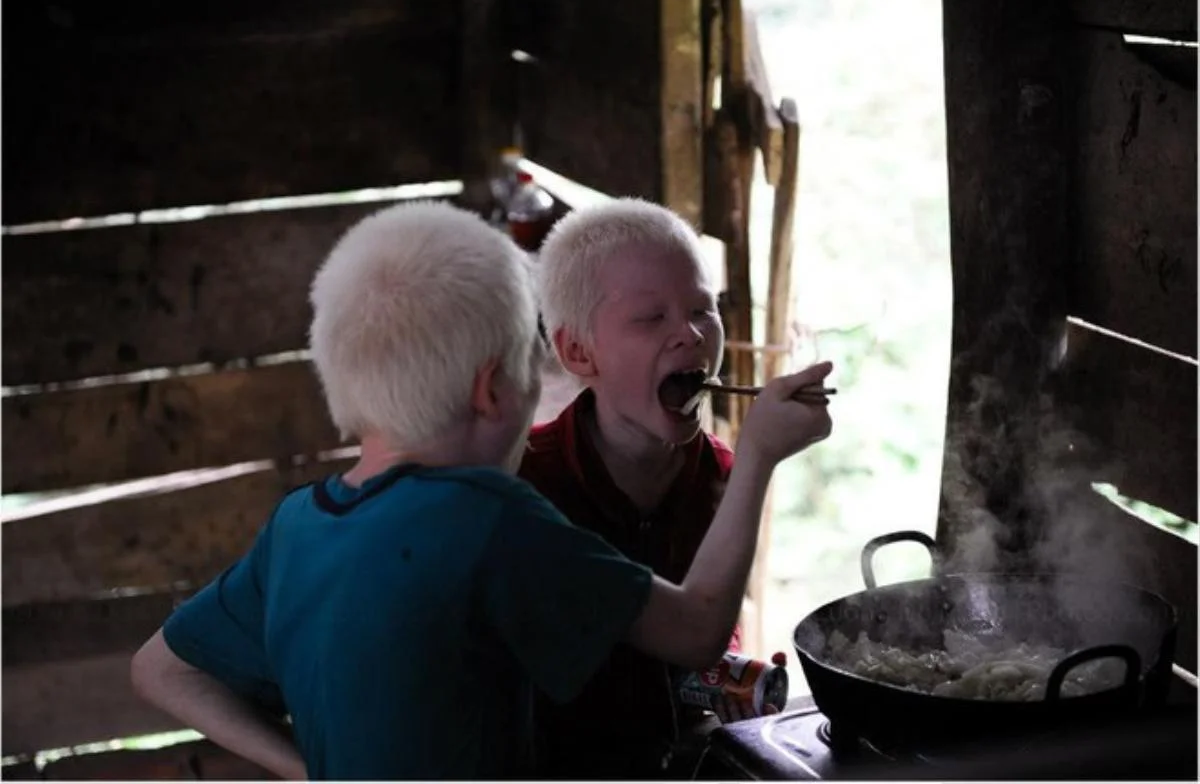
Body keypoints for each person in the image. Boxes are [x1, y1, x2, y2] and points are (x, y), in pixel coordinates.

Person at [129, 201, 834, 781]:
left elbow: (159, 669)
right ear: (495, 389)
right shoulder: (492, 519)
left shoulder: (297, 526)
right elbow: (695, 630)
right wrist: (762, 455)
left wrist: (308, 768)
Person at [523, 198, 822, 778]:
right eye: (650, 318)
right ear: (577, 351)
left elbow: (704, 654)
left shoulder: (721, 474)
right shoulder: (527, 484)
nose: (689, 334)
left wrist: (728, 684)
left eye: (702, 310)